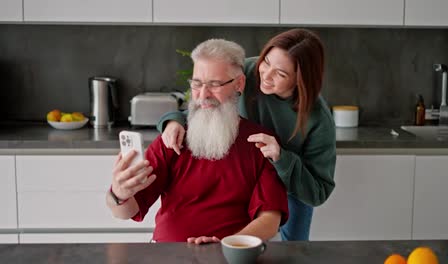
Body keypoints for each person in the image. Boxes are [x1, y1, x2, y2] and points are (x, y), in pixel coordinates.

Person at [157, 28, 336, 241]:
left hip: (291, 186)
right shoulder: (249, 71)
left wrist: (282, 158)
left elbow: (318, 192)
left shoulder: (318, 119)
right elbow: (206, 101)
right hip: (245, 173)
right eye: (266, 62)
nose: (266, 76)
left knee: (294, 250)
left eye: (280, 73)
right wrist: (173, 120)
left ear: (301, 79)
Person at [106, 39, 288, 243]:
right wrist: (118, 194)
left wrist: (228, 244)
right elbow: (125, 212)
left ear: (239, 84)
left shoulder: (261, 143)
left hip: (231, 255)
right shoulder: (173, 138)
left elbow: (270, 220)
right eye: (197, 83)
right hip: (168, 255)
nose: (203, 95)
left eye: (215, 84)